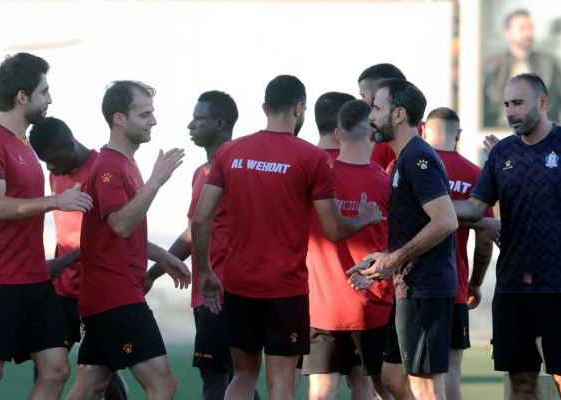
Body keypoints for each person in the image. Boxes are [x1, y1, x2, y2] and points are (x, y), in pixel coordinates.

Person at [192, 75, 384, 400]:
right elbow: (333, 230)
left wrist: (206, 272)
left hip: (238, 284)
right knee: (281, 384)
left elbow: (200, 219)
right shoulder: (312, 158)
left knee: (242, 377)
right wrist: (363, 218)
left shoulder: (230, 152)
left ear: (265, 107)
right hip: (285, 288)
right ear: (299, 108)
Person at [455, 73, 561, 400]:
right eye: (507, 104)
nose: (510, 111)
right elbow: (475, 208)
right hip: (512, 286)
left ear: (542, 102)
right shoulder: (501, 154)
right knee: (520, 380)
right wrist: (429, 210)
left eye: (518, 103)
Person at [0, 52, 92, 400]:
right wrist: (54, 201)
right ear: (23, 97)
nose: (50, 99)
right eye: (44, 91)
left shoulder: (26, 148)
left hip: (33, 281)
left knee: (55, 369)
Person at [70, 80, 190, 400]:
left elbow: (122, 232)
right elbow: (121, 225)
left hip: (107, 296)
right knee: (162, 385)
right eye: (145, 113)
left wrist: (163, 256)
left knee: (90, 387)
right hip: (116, 297)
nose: (153, 120)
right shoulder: (109, 165)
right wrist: (156, 181)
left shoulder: (124, 163)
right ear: (119, 118)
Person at [348, 78, 459, 400]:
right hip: (408, 285)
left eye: (376, 108)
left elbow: (446, 220)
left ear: (398, 115)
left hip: (428, 286)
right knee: (393, 378)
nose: (370, 115)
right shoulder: (403, 159)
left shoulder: (417, 159)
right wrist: (381, 260)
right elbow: (418, 227)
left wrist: (394, 260)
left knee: (425, 386)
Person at [142, 90, 256, 400]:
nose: (190, 125)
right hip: (205, 294)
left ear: (220, 123)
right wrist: (155, 272)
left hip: (222, 293)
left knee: (218, 380)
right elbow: (193, 231)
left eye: (198, 118)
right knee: (237, 379)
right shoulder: (200, 173)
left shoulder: (239, 169)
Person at [29, 117, 128, 399]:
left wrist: (62, 262)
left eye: (51, 159)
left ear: (68, 142)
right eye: (44, 161)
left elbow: (111, 235)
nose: (49, 167)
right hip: (61, 293)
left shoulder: (102, 170)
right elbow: (64, 230)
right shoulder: (57, 173)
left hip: (96, 292)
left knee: (100, 374)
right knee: (47, 368)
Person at [303, 98, 394, 400]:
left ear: (337, 132)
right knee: (364, 386)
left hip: (323, 305)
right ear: (372, 133)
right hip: (371, 305)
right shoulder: (385, 182)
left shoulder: (317, 176)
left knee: (322, 390)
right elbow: (399, 246)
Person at [423, 107, 496, 400]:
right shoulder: (474, 174)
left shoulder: (407, 167)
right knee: (451, 368)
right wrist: (475, 282)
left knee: (410, 370)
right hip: (454, 284)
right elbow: (487, 237)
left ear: (424, 130)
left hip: (412, 286)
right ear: (459, 136)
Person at [483, 9, 561, 127]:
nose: (528, 33)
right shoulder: (491, 65)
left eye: (530, 28)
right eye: (522, 28)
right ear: (507, 33)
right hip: (501, 131)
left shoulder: (549, 64)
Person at [358, 63, 406, 172]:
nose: (361, 102)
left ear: (380, 94)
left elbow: (369, 178)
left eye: (363, 96)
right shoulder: (424, 128)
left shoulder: (380, 133)